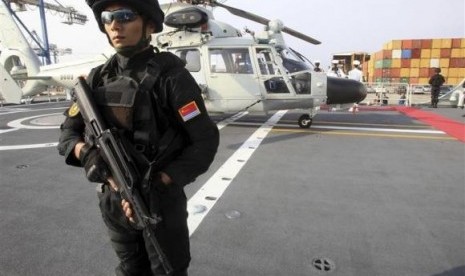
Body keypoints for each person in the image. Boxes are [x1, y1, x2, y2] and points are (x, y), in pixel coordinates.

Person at [57, 0, 220, 275]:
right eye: (108, 17)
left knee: (168, 271)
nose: (114, 25)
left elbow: (205, 141)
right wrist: (86, 153)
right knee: (129, 270)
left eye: (124, 15)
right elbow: (67, 134)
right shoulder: (97, 79)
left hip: (159, 204)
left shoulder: (171, 77)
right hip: (113, 200)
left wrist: (162, 181)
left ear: (150, 25)